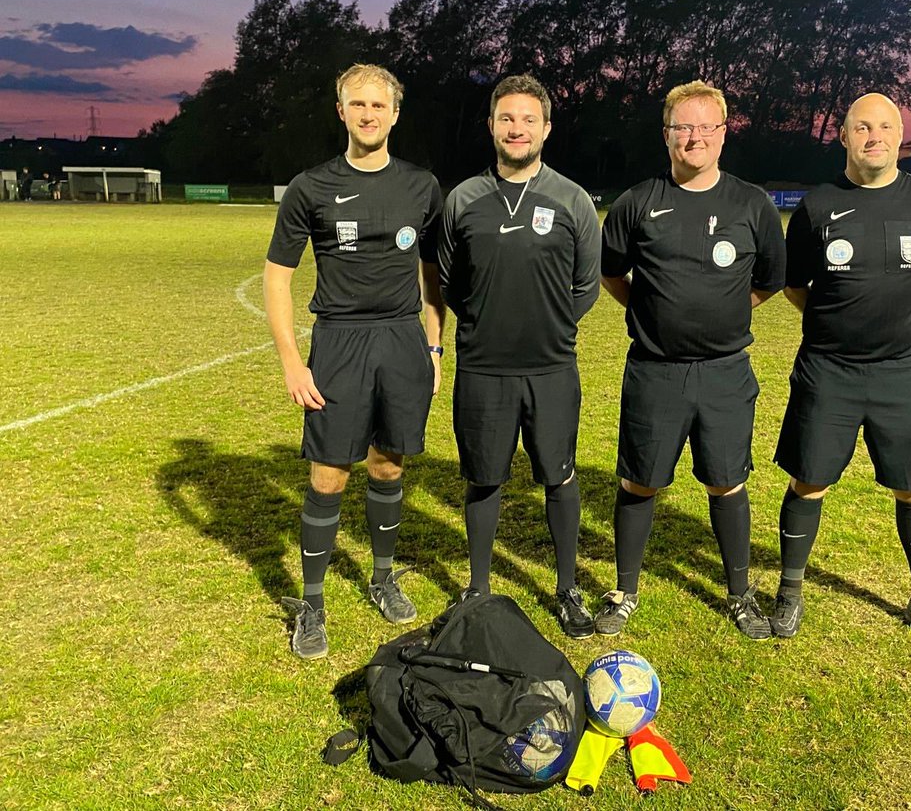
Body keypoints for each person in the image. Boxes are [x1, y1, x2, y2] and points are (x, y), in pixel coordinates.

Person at [771, 92, 911, 650]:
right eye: (862, 126)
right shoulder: (816, 206)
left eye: (884, 126)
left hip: (903, 372)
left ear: (900, 134)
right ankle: (789, 591)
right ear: (845, 135)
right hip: (828, 370)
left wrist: (908, 319)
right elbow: (793, 285)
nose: (874, 136)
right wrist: (837, 323)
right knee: (809, 481)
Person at [264, 63, 445, 660]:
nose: (369, 115)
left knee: (389, 466)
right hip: (338, 342)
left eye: (379, 105)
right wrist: (292, 360)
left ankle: (382, 575)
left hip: (400, 341)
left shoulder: (422, 185)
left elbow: (432, 274)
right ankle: (311, 603)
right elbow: (276, 278)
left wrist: (435, 342)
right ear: (341, 111)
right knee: (328, 473)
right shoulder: (310, 187)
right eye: (357, 104)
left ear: (396, 113)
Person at [595, 80, 786, 640]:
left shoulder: (751, 204)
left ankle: (740, 593)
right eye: (683, 127)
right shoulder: (636, 203)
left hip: (726, 372)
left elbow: (769, 282)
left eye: (706, 126)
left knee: (726, 482)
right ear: (667, 135)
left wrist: (721, 313)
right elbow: (612, 273)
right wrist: (653, 313)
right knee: (640, 482)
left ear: (724, 134)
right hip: (655, 371)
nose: (694, 137)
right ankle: (624, 591)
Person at [439, 74, 601, 638]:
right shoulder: (463, 199)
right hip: (483, 368)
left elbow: (586, 285)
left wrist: (547, 325)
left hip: (552, 367)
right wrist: (489, 322)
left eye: (528, 119)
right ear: (491, 125)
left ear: (546, 128)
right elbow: (449, 282)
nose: (517, 128)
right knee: (485, 479)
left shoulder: (572, 199)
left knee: (559, 476)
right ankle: (478, 588)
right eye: (507, 118)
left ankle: (566, 587)